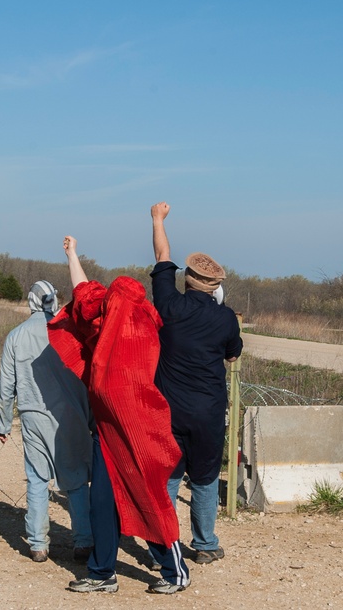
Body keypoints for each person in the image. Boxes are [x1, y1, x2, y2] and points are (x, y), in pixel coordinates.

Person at [50, 236, 190, 594]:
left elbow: (85, 300)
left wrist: (72, 256)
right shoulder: (107, 321)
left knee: (147, 494)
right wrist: (72, 255)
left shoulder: (140, 326)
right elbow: (84, 296)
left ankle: (175, 570)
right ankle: (102, 573)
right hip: (107, 428)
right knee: (103, 501)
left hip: (137, 427)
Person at [151, 201, 243, 565]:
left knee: (169, 479)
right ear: (216, 286)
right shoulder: (225, 320)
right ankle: (205, 546)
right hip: (208, 412)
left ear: (185, 278)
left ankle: (164, 546)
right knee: (204, 478)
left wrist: (158, 219)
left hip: (169, 409)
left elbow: (162, 254)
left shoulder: (169, 305)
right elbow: (233, 355)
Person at [0, 280, 94, 564]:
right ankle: (84, 541)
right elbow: (86, 378)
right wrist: (91, 418)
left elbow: (5, 386)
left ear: (31, 301)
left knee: (37, 479)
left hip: (32, 415)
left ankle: (38, 544)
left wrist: (2, 423)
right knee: (75, 481)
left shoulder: (16, 336)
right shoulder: (71, 332)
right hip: (71, 416)